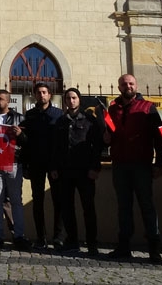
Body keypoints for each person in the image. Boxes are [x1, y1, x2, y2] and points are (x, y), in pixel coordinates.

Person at [106, 74, 162, 263]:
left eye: (131, 83)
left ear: (136, 85)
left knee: (147, 206)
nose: (128, 86)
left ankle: (154, 249)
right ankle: (124, 247)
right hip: (120, 165)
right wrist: (106, 139)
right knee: (123, 208)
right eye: (124, 84)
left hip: (142, 165)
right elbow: (109, 134)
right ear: (119, 87)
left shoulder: (148, 107)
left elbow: (159, 139)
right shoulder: (112, 108)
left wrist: (160, 164)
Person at [50, 88, 104, 255]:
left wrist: (95, 167)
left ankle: (92, 243)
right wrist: (54, 168)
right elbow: (55, 148)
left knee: (88, 208)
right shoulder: (60, 122)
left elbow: (97, 146)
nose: (71, 101)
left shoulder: (89, 120)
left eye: (74, 98)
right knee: (67, 208)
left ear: (79, 100)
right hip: (65, 172)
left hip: (85, 172)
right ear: (65, 101)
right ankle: (72, 240)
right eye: (68, 98)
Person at [0, 89, 30, 251]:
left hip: (14, 164)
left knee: (16, 201)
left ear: (8, 101)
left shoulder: (19, 118)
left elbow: (29, 142)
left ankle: (19, 236)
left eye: (0, 99)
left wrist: (21, 134)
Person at [21, 81, 64, 250]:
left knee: (58, 201)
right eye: (38, 92)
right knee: (37, 201)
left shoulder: (59, 115)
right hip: (36, 163)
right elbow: (26, 143)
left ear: (50, 95)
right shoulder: (30, 115)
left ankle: (58, 237)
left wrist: (58, 165)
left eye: (44, 92)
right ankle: (41, 237)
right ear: (35, 95)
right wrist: (26, 165)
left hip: (54, 164)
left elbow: (61, 143)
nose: (42, 95)